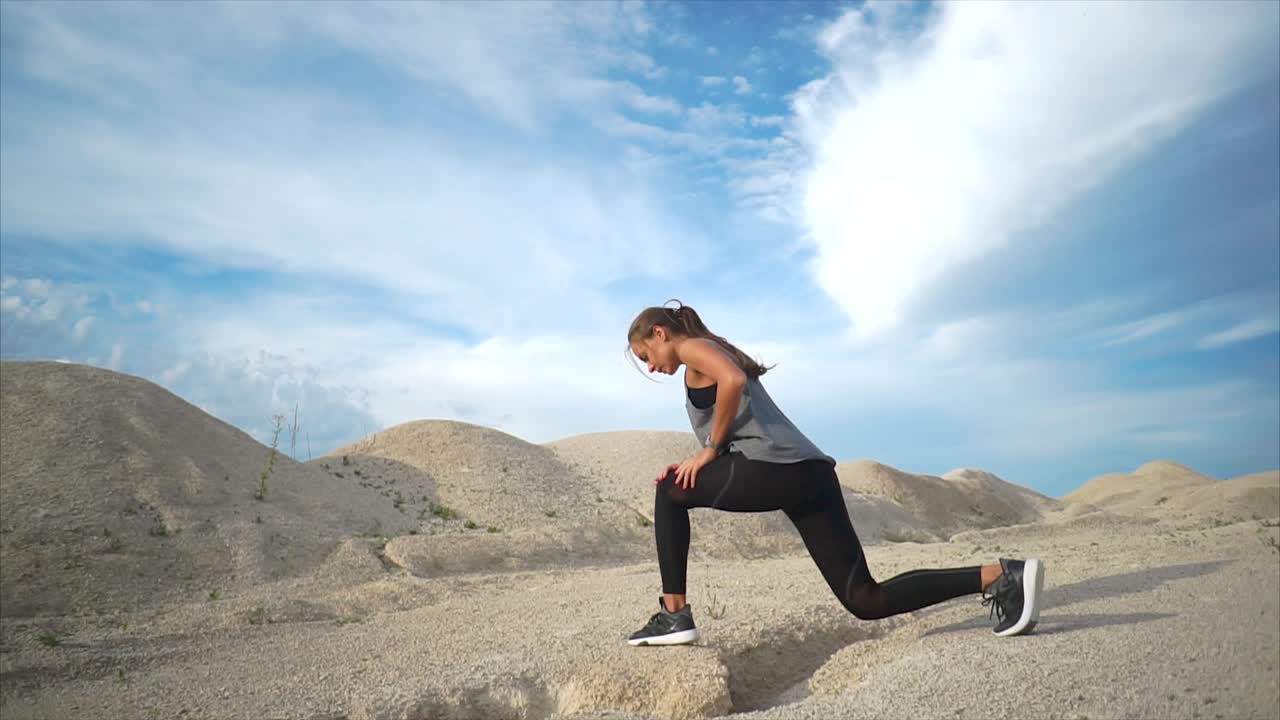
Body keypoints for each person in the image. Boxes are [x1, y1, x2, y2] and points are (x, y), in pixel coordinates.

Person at [624, 301, 1045, 646]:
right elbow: (737, 411)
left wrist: (711, 450)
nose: (651, 367)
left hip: (778, 467)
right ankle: (1001, 576)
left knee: (668, 492)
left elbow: (732, 380)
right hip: (808, 475)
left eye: (646, 356)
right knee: (865, 598)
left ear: (660, 334)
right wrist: (703, 459)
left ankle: (674, 615)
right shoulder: (706, 350)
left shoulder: (691, 348)